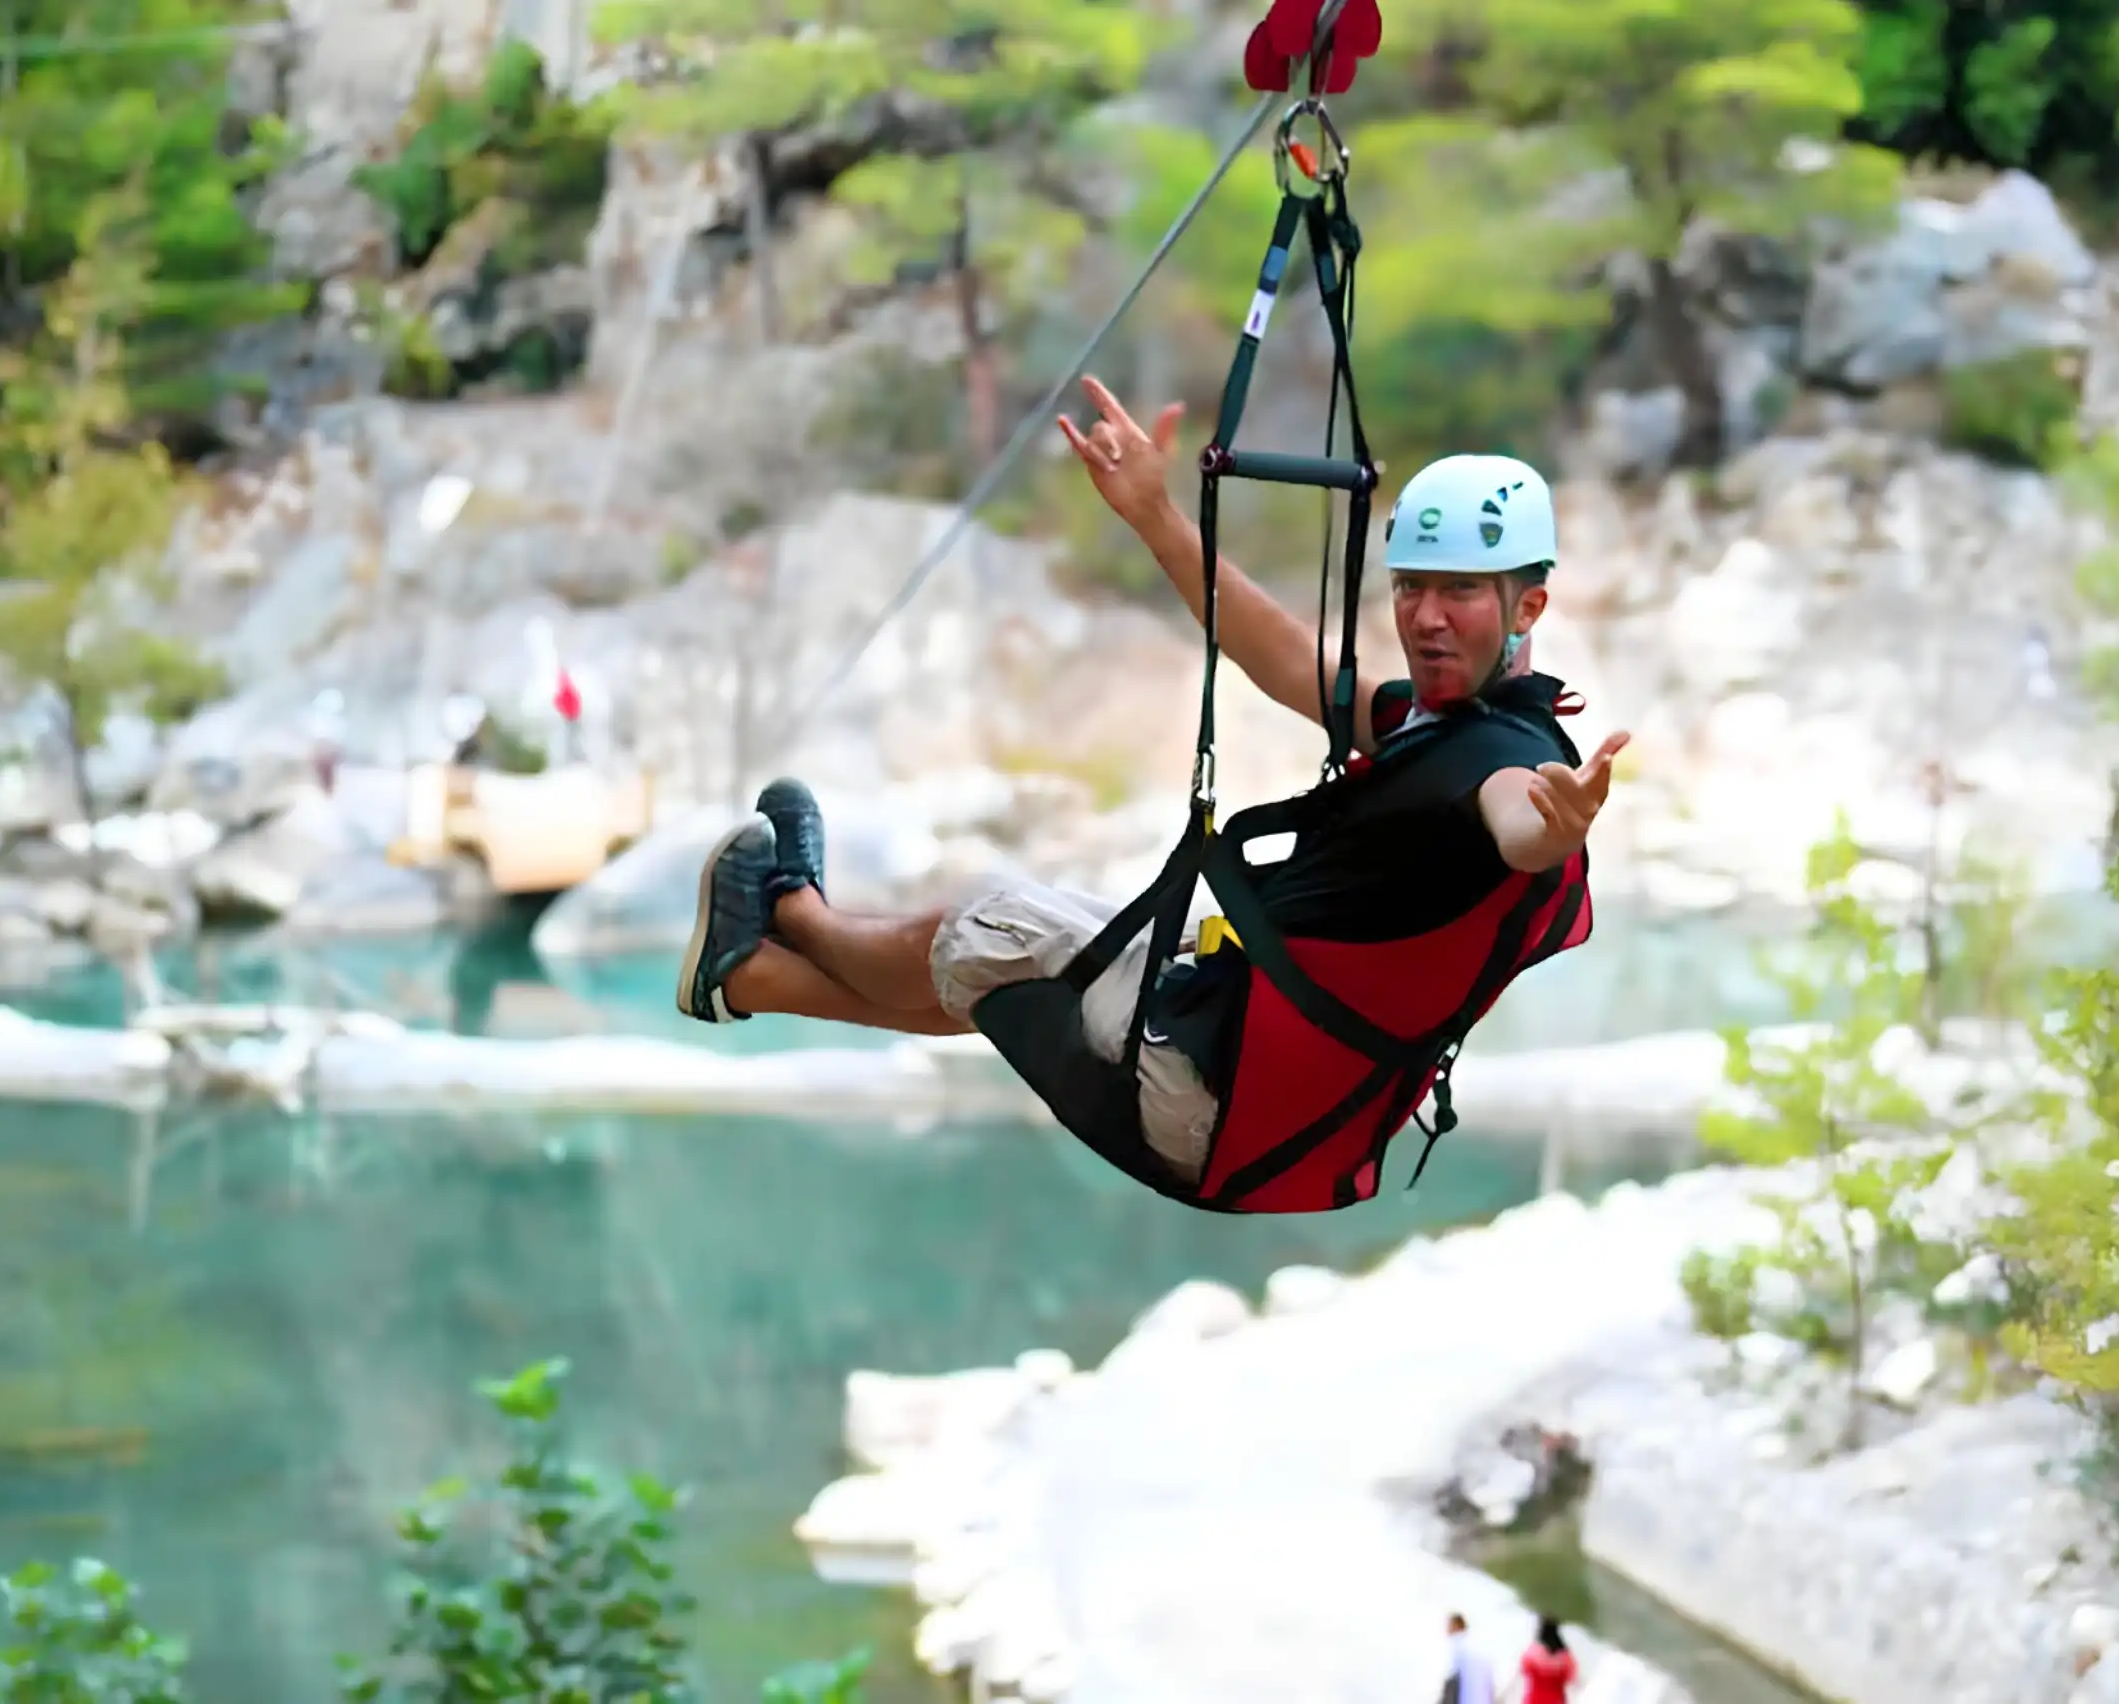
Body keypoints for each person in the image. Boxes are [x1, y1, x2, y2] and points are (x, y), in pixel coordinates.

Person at [671, 375, 1629, 1191]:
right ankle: (747, 977)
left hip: (1220, 1092)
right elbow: (1293, 664)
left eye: (1459, 591)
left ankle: (793, 915)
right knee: (1020, 955)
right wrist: (1155, 516)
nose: (1425, 615)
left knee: (985, 920)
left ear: (1526, 604)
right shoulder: (1434, 720)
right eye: (1410, 586)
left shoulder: (1500, 759)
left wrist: (1554, 828)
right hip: (1263, 1078)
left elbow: (1515, 822)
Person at [1519, 1616, 1576, 1704]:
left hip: (1534, 1699)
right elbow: (1571, 1678)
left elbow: (1524, 1670)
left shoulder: (1533, 1651)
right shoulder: (1564, 1656)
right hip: (1556, 1700)